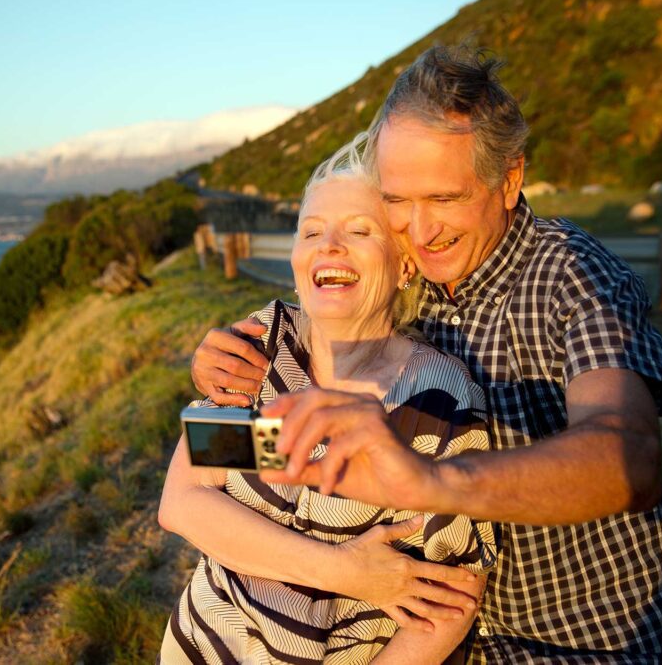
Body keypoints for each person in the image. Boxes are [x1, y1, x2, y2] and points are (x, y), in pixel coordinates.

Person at [191, 44, 662, 662]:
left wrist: (432, 483)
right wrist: (229, 378)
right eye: (397, 201)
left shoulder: (573, 276)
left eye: (444, 198)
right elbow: (216, 467)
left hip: (589, 640)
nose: (420, 229)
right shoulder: (381, 313)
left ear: (509, 180)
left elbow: (630, 458)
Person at [159, 134, 498, 664]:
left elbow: (451, 602)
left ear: (404, 265)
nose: (329, 246)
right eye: (312, 231)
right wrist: (347, 572)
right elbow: (185, 500)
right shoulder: (266, 352)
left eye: (359, 231)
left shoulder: (434, 403)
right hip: (201, 647)